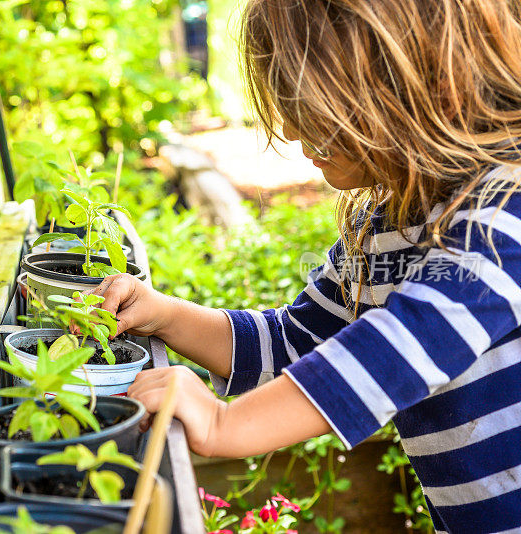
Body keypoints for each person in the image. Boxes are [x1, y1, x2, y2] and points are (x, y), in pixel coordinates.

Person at [91, 1, 521, 532]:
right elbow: (298, 340)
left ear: (405, 77)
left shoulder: (507, 208)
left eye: (314, 109)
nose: (295, 132)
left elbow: (406, 343)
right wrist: (165, 317)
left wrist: (225, 423)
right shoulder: (384, 221)